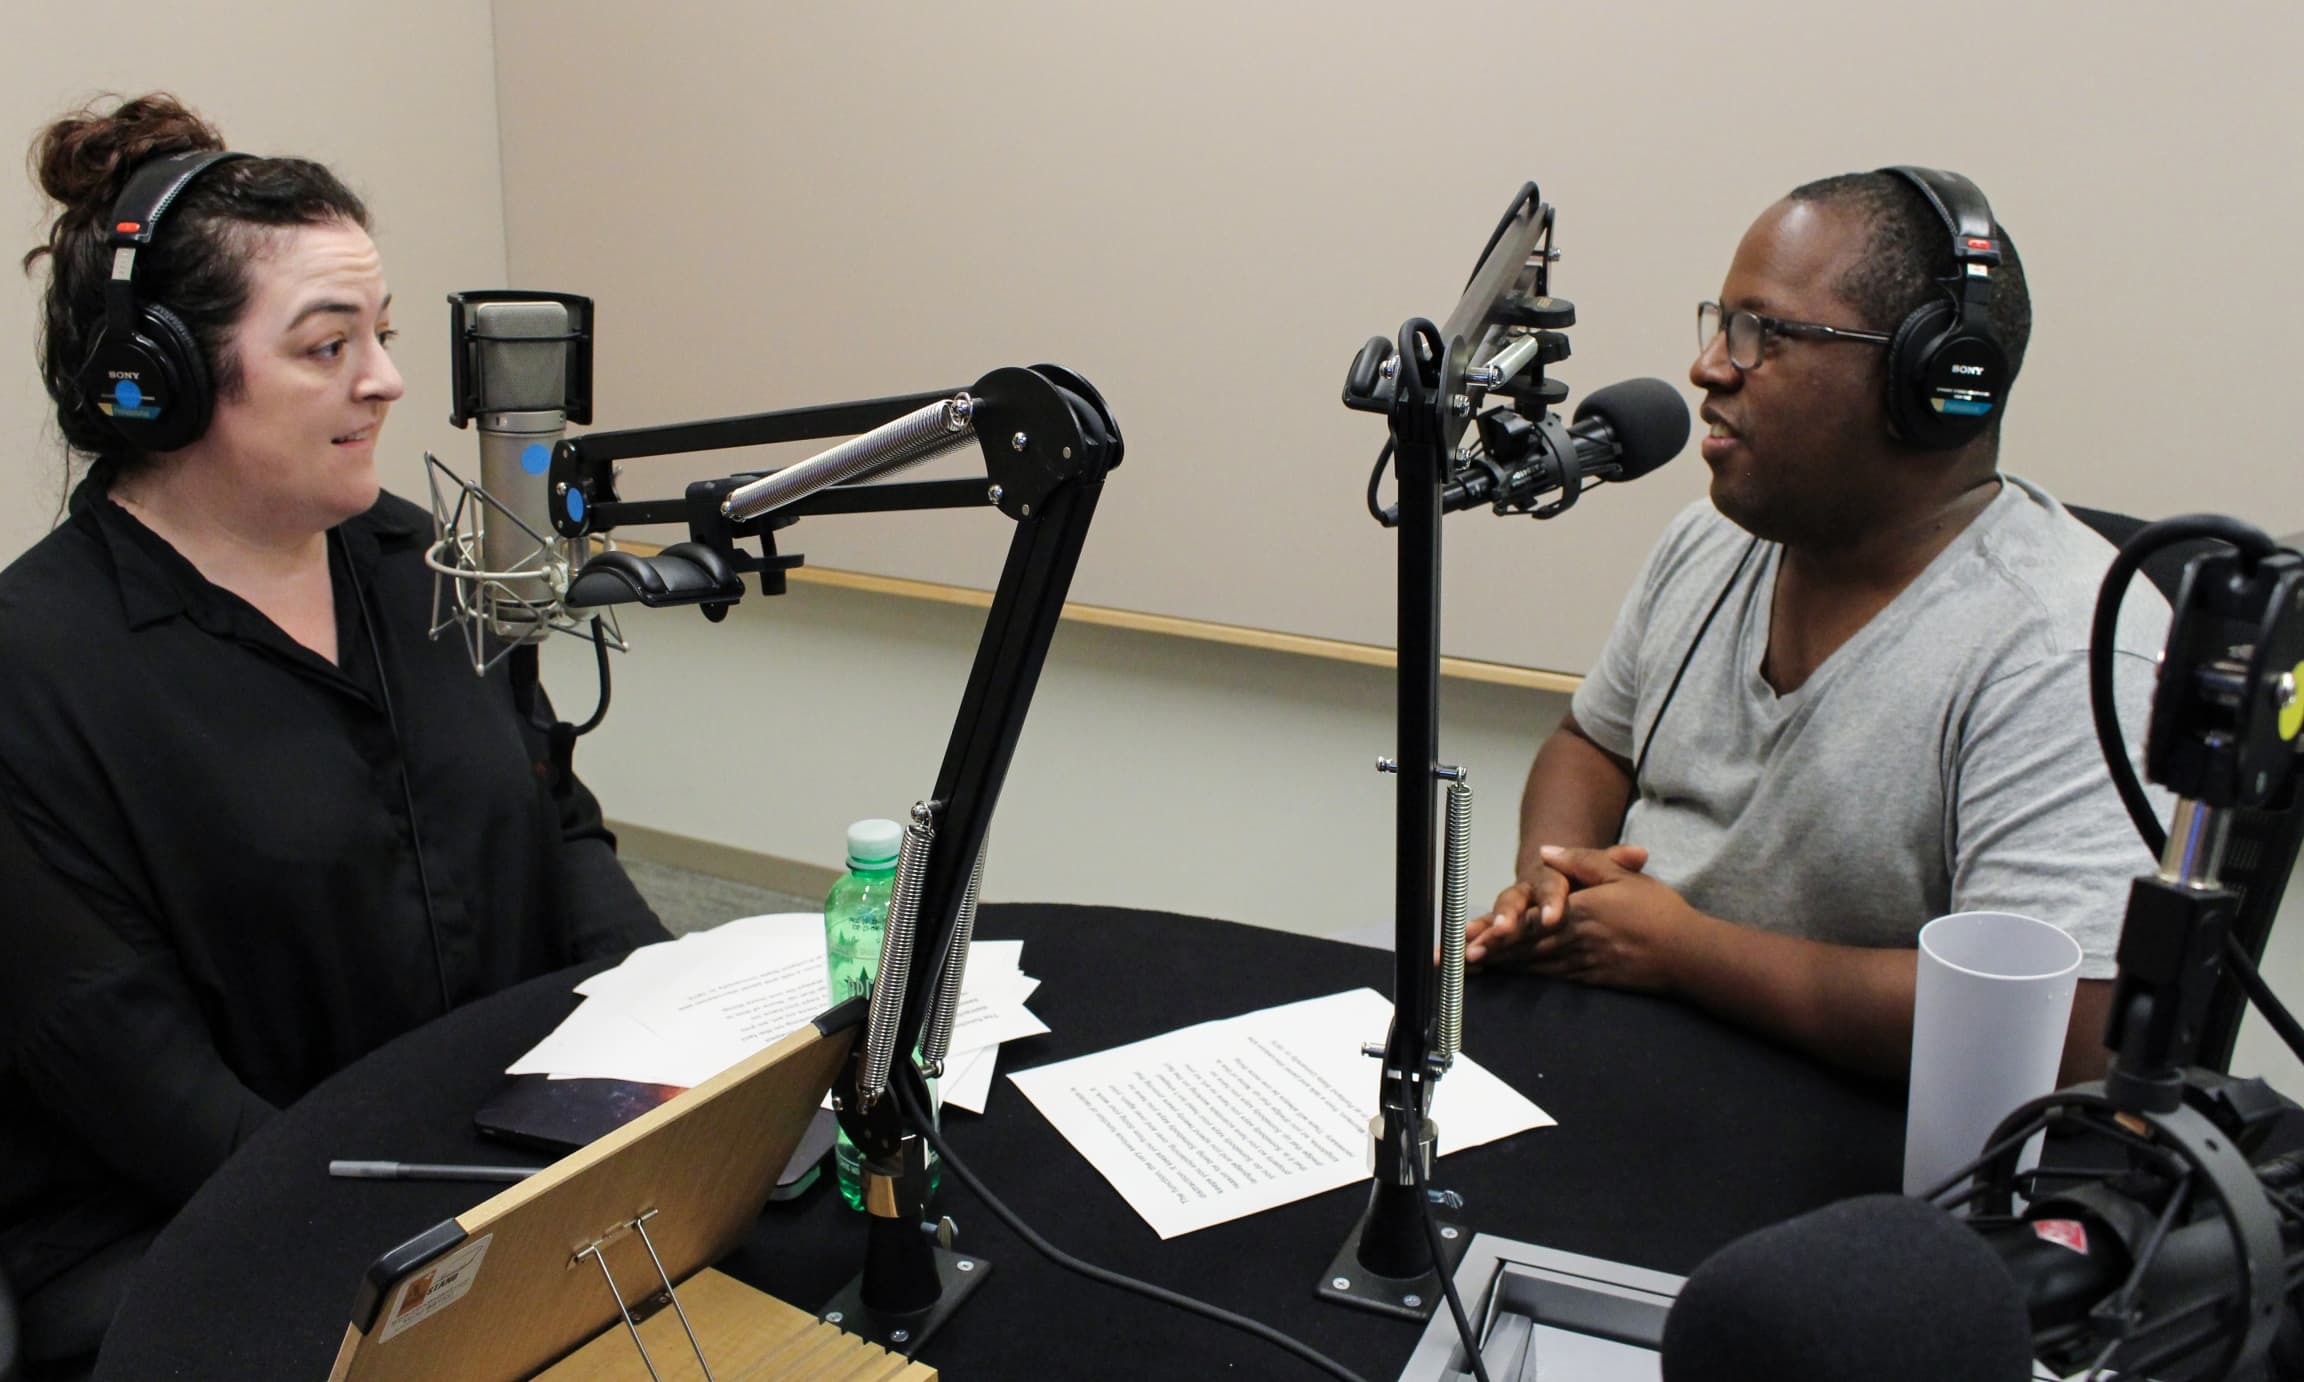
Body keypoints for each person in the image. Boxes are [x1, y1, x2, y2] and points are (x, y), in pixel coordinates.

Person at [0, 94, 667, 1372]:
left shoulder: (417, 565)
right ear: (163, 382)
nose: (387, 379)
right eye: (326, 346)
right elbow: (134, 1073)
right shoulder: (34, 670)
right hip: (200, 1232)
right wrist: (461, 1261)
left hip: (484, 1158)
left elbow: (556, 827)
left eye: (385, 333)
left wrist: (681, 1040)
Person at [1464, 168, 2167, 1087]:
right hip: (1633, 1051)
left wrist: (1683, 954)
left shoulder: (2066, 647)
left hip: (1853, 1133)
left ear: (1933, 379)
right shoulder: (1712, 540)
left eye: (1764, 334)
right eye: (1720, 322)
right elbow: (1590, 744)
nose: (1710, 366)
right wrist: (1554, 883)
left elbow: (2062, 1031)